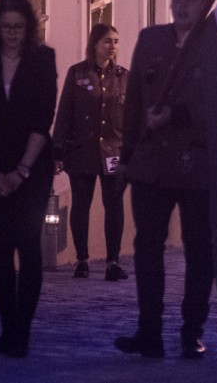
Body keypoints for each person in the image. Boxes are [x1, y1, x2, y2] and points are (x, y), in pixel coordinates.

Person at [114, 0, 217, 359]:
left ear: (204, 3)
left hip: (196, 164)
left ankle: (192, 331)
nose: (182, 6)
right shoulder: (150, 40)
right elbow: (134, 103)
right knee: (147, 248)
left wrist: (175, 115)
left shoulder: (216, 44)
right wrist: (127, 156)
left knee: (199, 251)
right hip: (152, 164)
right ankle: (149, 332)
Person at [0, 0, 58, 358]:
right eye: (6, 27)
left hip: (33, 165)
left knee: (28, 244)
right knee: (1, 248)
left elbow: (43, 119)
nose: (12, 34)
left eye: (18, 27)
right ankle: (7, 329)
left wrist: (22, 171)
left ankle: (23, 330)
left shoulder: (43, 60)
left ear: (28, 27)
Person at [52, 24, 129, 282]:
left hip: (113, 152)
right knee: (81, 205)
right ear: (94, 44)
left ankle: (112, 262)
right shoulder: (77, 74)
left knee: (114, 205)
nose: (112, 46)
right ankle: (82, 260)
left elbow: (132, 119)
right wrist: (58, 151)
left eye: (116, 41)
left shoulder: (123, 77)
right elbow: (65, 113)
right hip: (82, 150)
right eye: (107, 41)